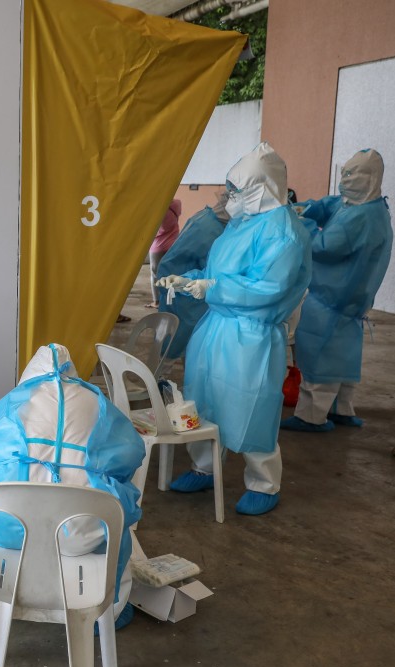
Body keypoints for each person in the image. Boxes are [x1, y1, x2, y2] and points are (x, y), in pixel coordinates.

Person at [0, 344, 144, 632]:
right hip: (80, 531)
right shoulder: (97, 403)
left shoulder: (13, 404)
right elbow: (129, 458)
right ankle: (105, 611)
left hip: (8, 528)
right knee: (116, 526)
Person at [157, 142, 311, 516]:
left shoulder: (284, 233)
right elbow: (218, 273)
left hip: (252, 335)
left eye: (238, 190)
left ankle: (263, 482)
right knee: (204, 396)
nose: (230, 197)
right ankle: (204, 466)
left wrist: (212, 289)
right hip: (217, 328)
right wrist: (189, 279)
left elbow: (267, 288)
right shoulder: (242, 223)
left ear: (261, 187)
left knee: (251, 407)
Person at [281, 149, 393, 432]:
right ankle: (341, 409)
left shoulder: (360, 218)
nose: (345, 181)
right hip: (351, 303)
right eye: (345, 173)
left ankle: (311, 416)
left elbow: (323, 246)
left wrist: (299, 223)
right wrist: (307, 208)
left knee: (319, 357)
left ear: (369, 178)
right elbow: (330, 205)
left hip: (331, 299)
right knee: (343, 358)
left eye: (352, 175)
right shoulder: (368, 205)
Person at [156, 192, 231, 360]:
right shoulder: (209, 228)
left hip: (196, 293)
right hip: (186, 298)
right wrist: (187, 283)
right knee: (175, 345)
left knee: (191, 350)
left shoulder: (215, 224)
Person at [147, 199, 182, 308]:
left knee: (155, 274)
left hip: (157, 246)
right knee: (172, 273)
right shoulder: (177, 203)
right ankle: (173, 300)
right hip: (173, 244)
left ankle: (156, 302)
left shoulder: (155, 208)